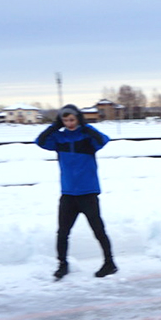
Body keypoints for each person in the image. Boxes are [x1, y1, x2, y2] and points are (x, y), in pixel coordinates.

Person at [35, 104, 116, 280]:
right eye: (65, 120)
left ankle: (110, 263)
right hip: (68, 194)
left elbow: (103, 140)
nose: (69, 123)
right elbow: (40, 141)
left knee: (98, 230)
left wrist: (86, 126)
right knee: (62, 232)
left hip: (88, 193)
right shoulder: (59, 138)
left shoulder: (87, 137)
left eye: (72, 119)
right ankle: (62, 265)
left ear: (78, 118)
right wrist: (55, 126)